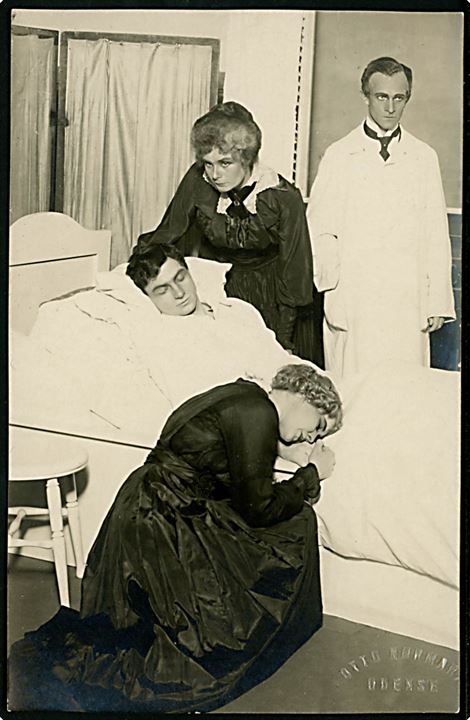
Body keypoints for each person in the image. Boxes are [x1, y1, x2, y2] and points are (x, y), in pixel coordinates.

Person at [9, 364, 341, 713]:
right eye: (317, 426)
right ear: (305, 396)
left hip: (146, 509)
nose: (311, 439)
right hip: (163, 522)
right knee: (297, 523)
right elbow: (258, 509)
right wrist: (310, 476)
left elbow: (227, 465)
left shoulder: (242, 395)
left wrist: (281, 451)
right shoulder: (257, 413)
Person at [137, 101, 322, 364]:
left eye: (225, 163)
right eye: (208, 163)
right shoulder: (199, 179)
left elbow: (294, 274)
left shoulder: (282, 197)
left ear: (246, 158)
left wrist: (284, 340)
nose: (215, 174)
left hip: (274, 297)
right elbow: (169, 230)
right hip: (222, 287)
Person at [307, 56, 455, 379]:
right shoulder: (339, 155)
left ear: (407, 99)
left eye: (398, 98)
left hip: (406, 300)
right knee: (354, 388)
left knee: (404, 390)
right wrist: (334, 291)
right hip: (356, 299)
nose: (390, 107)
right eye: (381, 97)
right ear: (365, 97)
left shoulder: (423, 157)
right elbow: (319, 228)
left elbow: (435, 234)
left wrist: (437, 303)